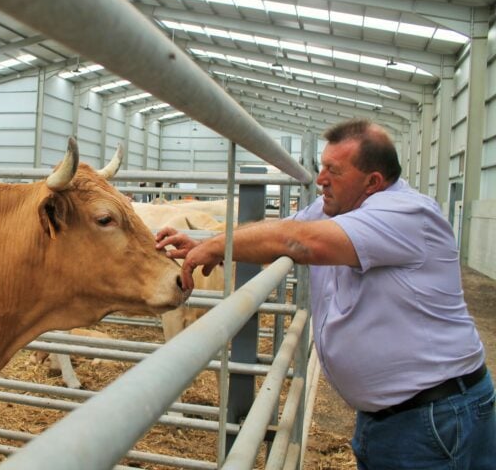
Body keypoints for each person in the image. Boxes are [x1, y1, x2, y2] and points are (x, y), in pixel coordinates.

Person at [155, 118, 495, 469]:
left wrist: (216, 247)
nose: (319, 179)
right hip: (393, 417)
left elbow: (300, 241)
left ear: (372, 182)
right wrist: (208, 243)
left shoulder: (405, 213)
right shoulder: (335, 208)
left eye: (334, 171)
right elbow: (280, 231)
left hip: (436, 418)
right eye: (322, 166)